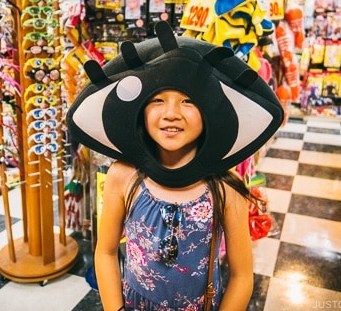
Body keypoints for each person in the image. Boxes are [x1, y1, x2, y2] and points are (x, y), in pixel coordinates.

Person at [67, 21, 284, 310]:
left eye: (188, 101)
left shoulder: (224, 188)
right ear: (140, 109)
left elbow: (243, 275)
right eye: (157, 99)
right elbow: (106, 253)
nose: (171, 114)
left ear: (208, 109)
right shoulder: (123, 177)